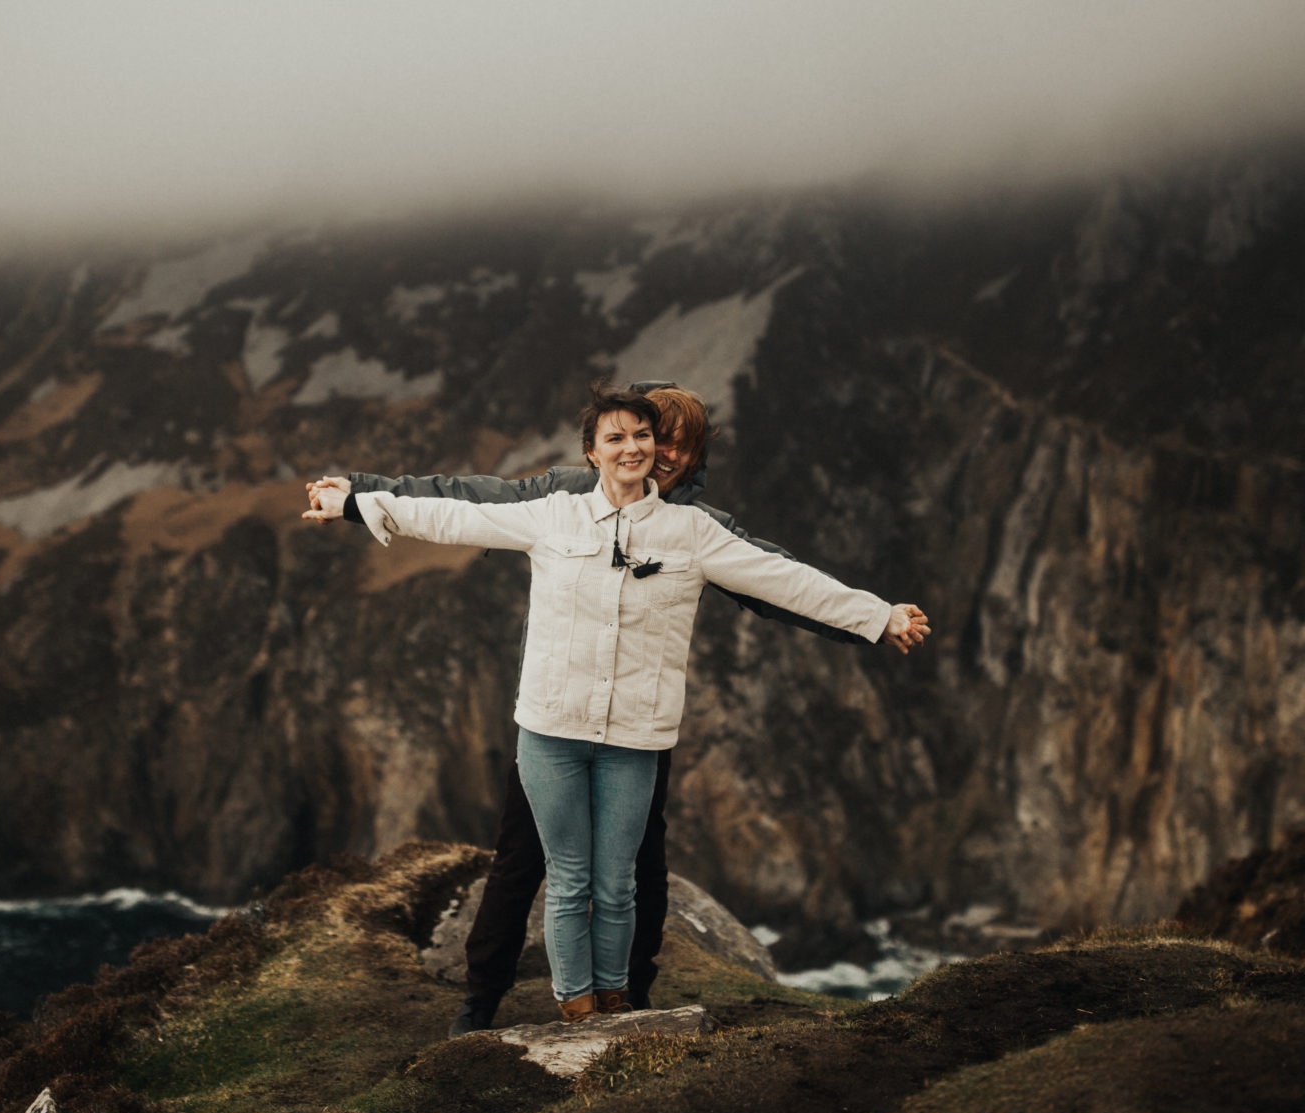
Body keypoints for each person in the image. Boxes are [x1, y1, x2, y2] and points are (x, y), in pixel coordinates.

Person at [308, 382, 926, 1034]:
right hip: (552, 726)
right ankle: (529, 1008)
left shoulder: (696, 530)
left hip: (636, 734)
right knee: (551, 873)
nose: (646, 449)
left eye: (652, 437)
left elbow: (787, 582)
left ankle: (623, 1007)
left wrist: (877, 616)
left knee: (624, 882)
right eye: (621, 437)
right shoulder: (554, 507)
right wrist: (353, 499)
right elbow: (453, 509)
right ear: (592, 450)